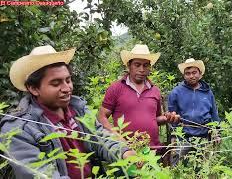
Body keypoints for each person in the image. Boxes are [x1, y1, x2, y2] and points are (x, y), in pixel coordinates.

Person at [0, 45, 136, 179]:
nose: (67, 88)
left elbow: (99, 138)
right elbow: (40, 174)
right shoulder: (18, 130)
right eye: (56, 83)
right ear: (34, 88)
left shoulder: (78, 109)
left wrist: (124, 152)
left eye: (68, 80)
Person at [98, 44, 180, 153]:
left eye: (145, 65)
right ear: (129, 65)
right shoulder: (116, 88)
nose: (142, 69)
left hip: (152, 151)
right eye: (137, 65)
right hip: (126, 152)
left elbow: (154, 119)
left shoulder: (155, 90)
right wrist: (118, 138)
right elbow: (101, 117)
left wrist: (167, 118)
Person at [168, 58, 221, 166]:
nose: (191, 76)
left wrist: (217, 132)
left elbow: (214, 114)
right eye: (187, 73)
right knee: (178, 167)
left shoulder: (207, 92)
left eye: (194, 72)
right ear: (184, 76)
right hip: (183, 136)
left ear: (200, 74)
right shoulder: (176, 92)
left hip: (204, 136)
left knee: (205, 167)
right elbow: (171, 116)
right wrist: (173, 136)